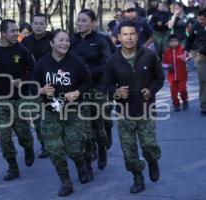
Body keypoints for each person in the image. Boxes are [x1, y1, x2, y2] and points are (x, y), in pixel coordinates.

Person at [104, 20, 164, 193]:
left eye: (132, 34)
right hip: (124, 113)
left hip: (146, 110)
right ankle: (137, 178)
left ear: (137, 36)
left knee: (149, 146)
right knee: (129, 151)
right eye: (125, 34)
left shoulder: (149, 55)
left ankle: (152, 161)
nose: (129, 37)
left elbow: (159, 78)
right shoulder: (112, 61)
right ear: (118, 37)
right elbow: (106, 86)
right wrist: (116, 93)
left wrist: (150, 91)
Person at [32, 29, 91, 197]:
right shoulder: (42, 63)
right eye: (60, 40)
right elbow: (32, 86)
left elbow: (87, 82)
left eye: (67, 40)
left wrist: (78, 93)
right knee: (54, 149)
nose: (65, 43)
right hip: (51, 113)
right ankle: (66, 182)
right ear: (51, 43)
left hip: (72, 112)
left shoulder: (76, 62)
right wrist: (41, 90)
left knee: (73, 148)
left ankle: (80, 164)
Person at [0, 19, 35, 181]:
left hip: (20, 99)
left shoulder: (22, 49)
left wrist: (22, 80)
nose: (16, 33)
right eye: (12, 31)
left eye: (17, 30)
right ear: (3, 33)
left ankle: (28, 147)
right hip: (0, 99)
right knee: (4, 135)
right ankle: (12, 167)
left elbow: (33, 70)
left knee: (23, 133)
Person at [70, 8, 113, 179]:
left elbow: (109, 63)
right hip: (80, 90)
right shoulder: (72, 41)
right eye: (79, 20)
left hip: (97, 87)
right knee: (84, 127)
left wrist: (90, 71)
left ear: (93, 23)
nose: (80, 23)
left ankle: (102, 148)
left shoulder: (100, 40)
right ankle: (89, 161)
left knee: (98, 123)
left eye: (84, 20)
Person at [21, 13, 52, 158]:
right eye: (36, 23)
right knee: (38, 119)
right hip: (34, 86)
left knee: (56, 115)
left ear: (46, 25)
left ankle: (59, 141)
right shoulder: (25, 42)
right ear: (32, 25)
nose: (38, 26)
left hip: (54, 83)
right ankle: (45, 145)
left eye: (41, 23)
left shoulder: (53, 38)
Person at [185, 8, 206, 114]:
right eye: (199, 19)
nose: (200, 21)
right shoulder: (196, 26)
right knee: (203, 79)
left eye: (202, 19)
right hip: (200, 55)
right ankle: (204, 105)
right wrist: (186, 50)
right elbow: (190, 38)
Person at [163, 34, 189, 111]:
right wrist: (167, 66)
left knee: (182, 90)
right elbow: (163, 63)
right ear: (168, 43)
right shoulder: (167, 52)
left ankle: (185, 100)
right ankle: (176, 105)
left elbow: (188, 57)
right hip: (172, 77)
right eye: (171, 41)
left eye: (175, 41)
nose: (173, 43)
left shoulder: (182, 50)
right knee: (173, 92)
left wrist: (185, 58)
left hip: (182, 75)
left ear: (178, 42)